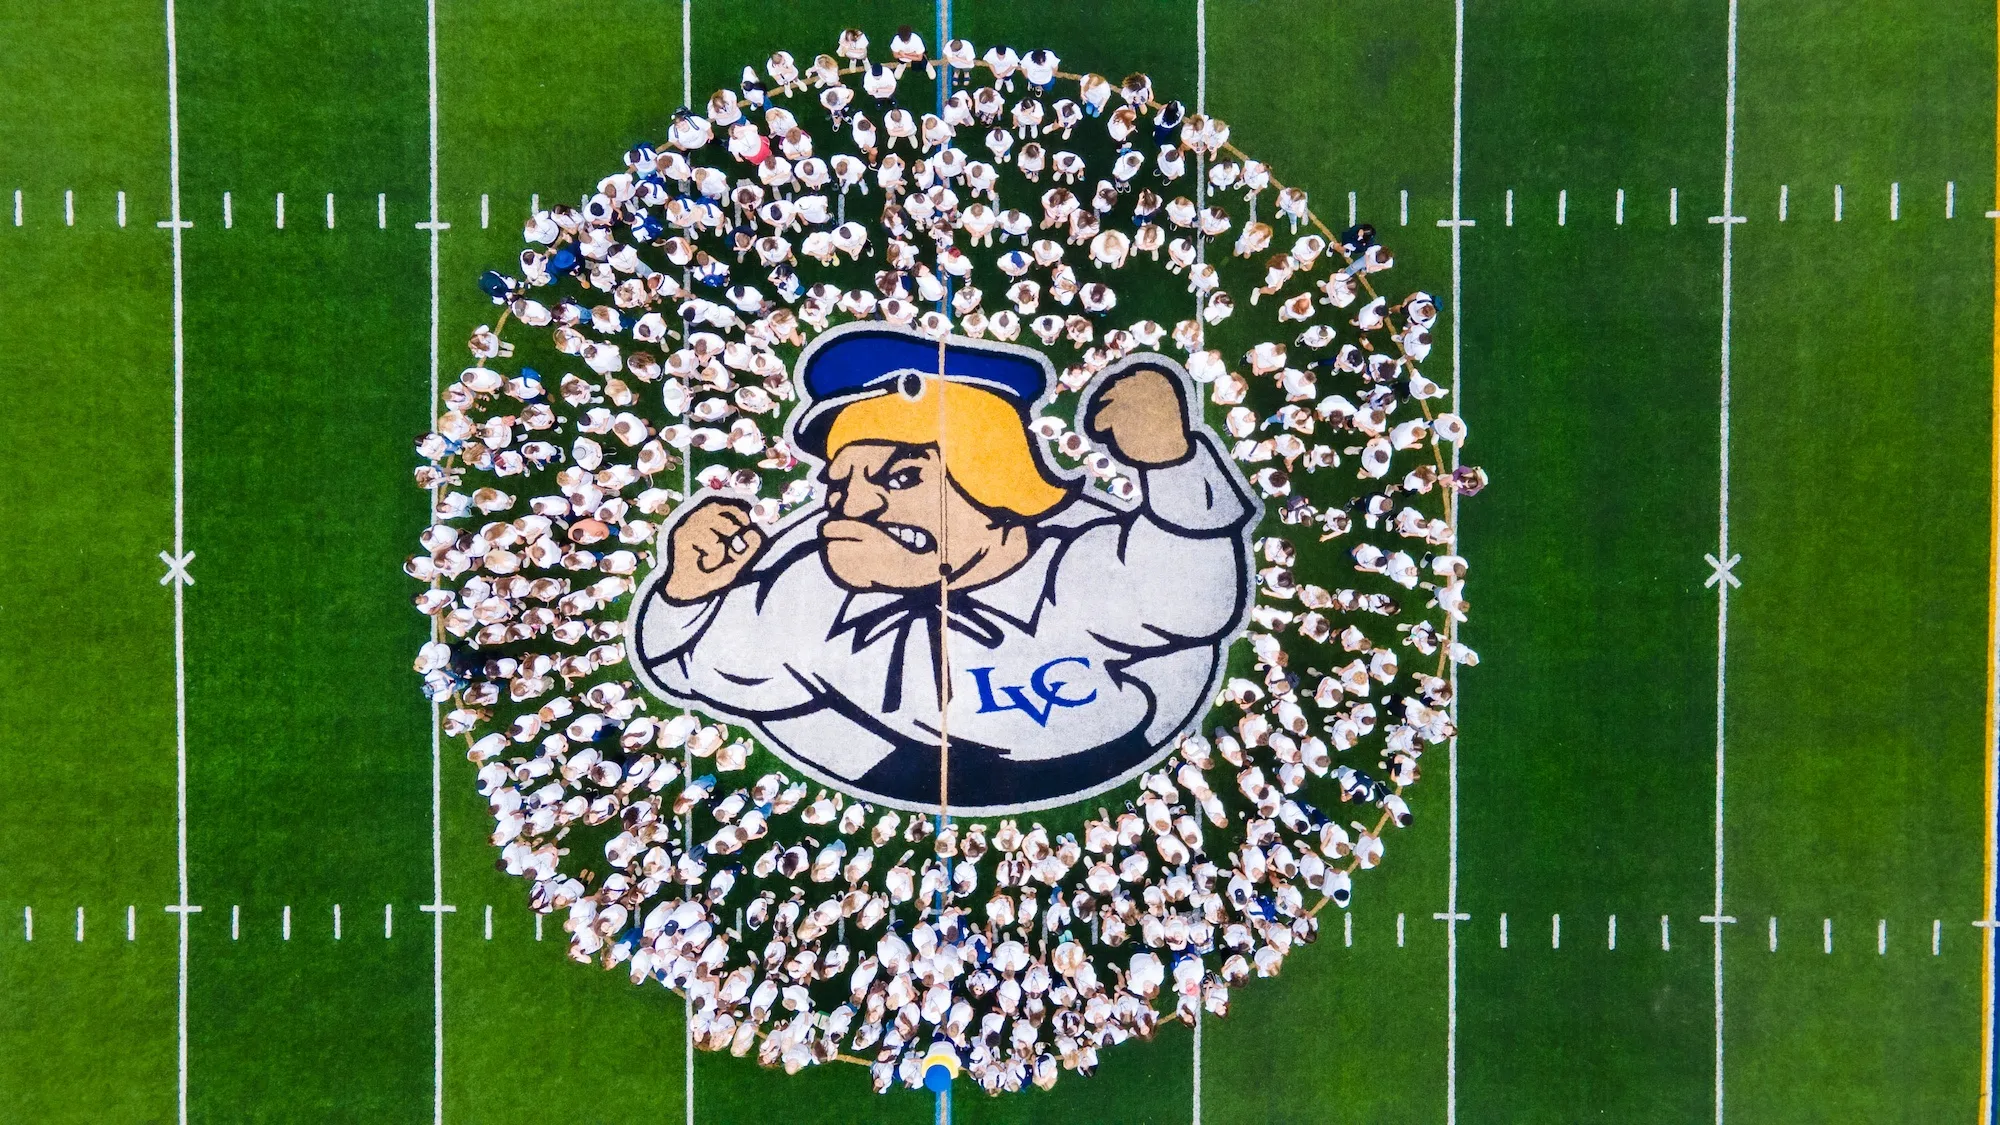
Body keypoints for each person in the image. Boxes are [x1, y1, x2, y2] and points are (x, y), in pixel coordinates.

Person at [629, 323, 1261, 814]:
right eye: (840, 485)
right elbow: (695, 666)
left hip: (1101, 741)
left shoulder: (1077, 574)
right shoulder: (811, 595)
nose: (854, 507)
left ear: (998, 486)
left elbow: (1190, 594)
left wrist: (1171, 462)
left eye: (901, 478)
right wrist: (686, 588)